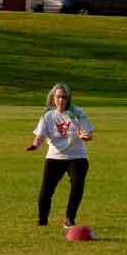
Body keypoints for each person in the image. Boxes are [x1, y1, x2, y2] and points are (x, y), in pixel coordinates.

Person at [26, 83, 95, 228]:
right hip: (55, 156)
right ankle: (42, 221)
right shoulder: (48, 116)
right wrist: (35, 145)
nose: (61, 100)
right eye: (58, 97)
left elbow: (88, 133)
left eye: (64, 97)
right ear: (53, 98)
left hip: (77, 156)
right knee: (46, 190)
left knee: (77, 184)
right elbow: (40, 136)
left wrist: (85, 136)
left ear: (68, 98)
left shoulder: (77, 112)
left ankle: (70, 218)